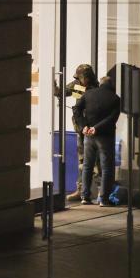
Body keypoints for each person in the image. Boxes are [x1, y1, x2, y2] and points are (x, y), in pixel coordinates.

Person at [72, 76, 121, 207]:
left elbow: (76, 109)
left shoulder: (88, 94)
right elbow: (112, 118)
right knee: (106, 168)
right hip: (105, 136)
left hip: (88, 136)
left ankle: (85, 196)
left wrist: (84, 127)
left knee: (87, 166)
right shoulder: (115, 98)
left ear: (100, 83)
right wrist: (96, 128)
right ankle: (104, 199)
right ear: (111, 85)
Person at [57, 64, 99, 202]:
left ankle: (101, 192)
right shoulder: (78, 85)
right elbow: (61, 92)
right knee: (82, 161)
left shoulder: (97, 89)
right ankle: (81, 190)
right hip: (81, 129)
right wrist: (55, 86)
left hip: (93, 131)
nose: (79, 81)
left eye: (81, 78)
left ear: (86, 77)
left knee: (96, 163)